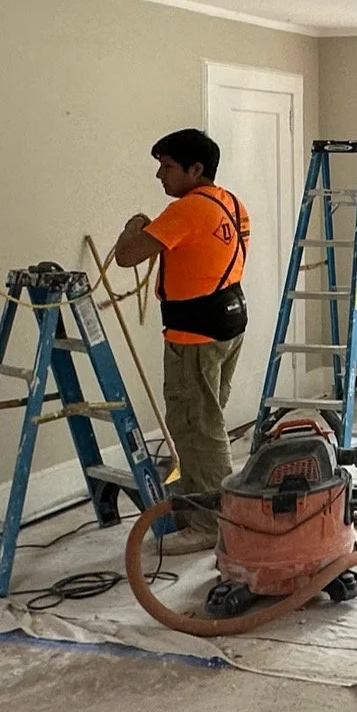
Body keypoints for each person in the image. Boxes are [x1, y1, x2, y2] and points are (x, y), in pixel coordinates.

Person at [112, 128, 251, 555]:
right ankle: (198, 509)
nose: (160, 175)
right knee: (202, 424)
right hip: (228, 322)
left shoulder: (188, 209)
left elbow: (126, 256)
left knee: (197, 427)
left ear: (196, 169)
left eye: (167, 166)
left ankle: (211, 523)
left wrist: (133, 226)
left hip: (195, 334)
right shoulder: (231, 203)